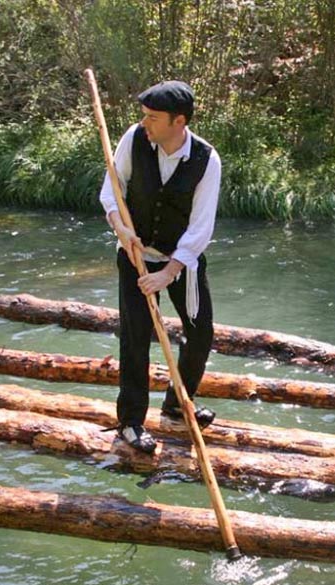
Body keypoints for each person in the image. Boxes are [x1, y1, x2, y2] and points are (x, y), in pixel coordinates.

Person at [98, 80, 221, 454]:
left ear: (178, 121)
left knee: (200, 333)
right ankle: (131, 423)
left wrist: (168, 273)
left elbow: (201, 227)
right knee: (135, 337)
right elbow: (111, 189)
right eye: (144, 116)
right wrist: (121, 229)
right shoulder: (134, 139)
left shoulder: (206, 160)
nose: (144, 122)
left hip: (180, 261)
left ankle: (176, 404)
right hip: (135, 256)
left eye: (153, 117)